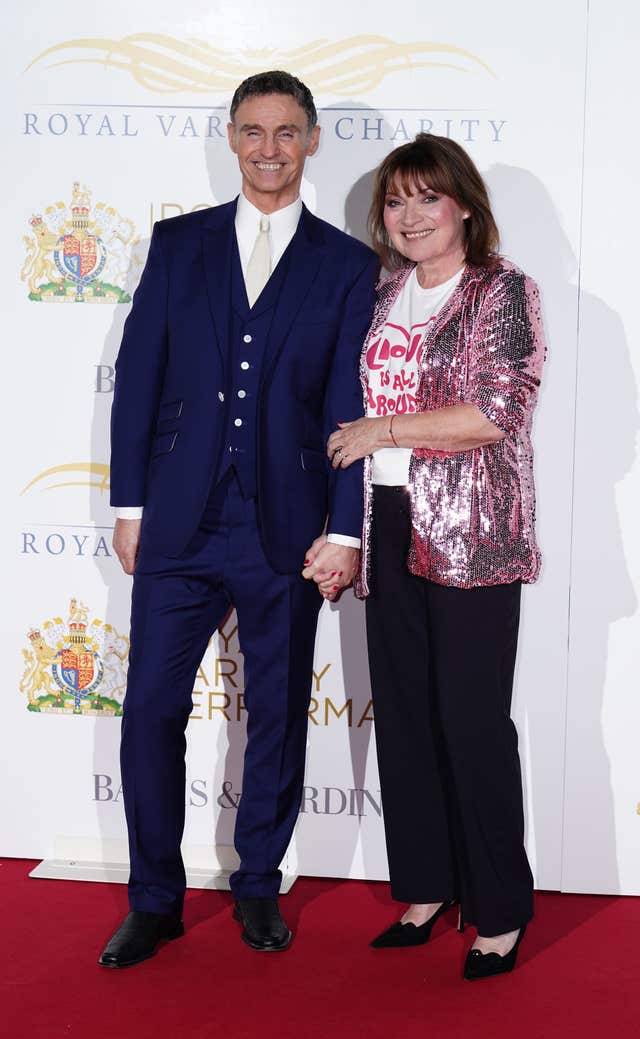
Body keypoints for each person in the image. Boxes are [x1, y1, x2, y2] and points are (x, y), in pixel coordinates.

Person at [100, 70, 377, 967]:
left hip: (287, 530)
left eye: (286, 132)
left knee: (282, 711)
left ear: (312, 140)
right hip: (178, 523)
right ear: (230, 137)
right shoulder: (177, 244)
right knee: (147, 711)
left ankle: (259, 882)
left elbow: (347, 403)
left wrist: (343, 528)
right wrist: (131, 503)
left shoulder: (346, 265)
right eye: (253, 131)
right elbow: (139, 378)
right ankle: (154, 899)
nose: (269, 149)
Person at [320, 134, 545, 979]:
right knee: (406, 714)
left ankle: (499, 909)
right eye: (395, 200)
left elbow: (495, 412)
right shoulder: (380, 293)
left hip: (474, 531)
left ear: (463, 207)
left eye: (427, 198)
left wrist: (384, 429)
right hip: (386, 517)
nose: (410, 216)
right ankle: (425, 885)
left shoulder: (501, 290)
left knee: (473, 720)